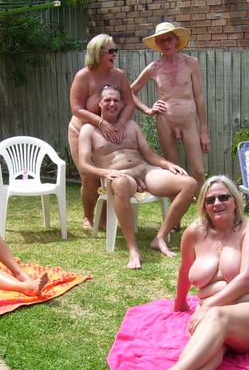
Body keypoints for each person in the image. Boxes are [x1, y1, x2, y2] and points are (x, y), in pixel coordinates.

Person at [141, 176, 249, 370]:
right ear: (204, 206)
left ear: (235, 201)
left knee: (217, 317)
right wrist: (179, 304)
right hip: (218, 319)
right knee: (213, 349)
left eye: (223, 197)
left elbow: (247, 278)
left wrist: (206, 307)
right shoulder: (194, 233)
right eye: (210, 200)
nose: (217, 203)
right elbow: (185, 271)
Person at [78, 85, 197, 269]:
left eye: (116, 100)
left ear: (121, 104)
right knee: (121, 183)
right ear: (99, 103)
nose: (112, 104)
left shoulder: (131, 126)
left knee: (190, 184)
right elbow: (84, 165)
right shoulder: (88, 130)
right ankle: (133, 250)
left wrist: (167, 165)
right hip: (119, 176)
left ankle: (160, 237)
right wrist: (105, 172)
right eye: (108, 100)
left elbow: (149, 155)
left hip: (144, 171)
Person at [68, 34, 136, 230]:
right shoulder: (83, 76)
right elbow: (76, 109)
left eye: (116, 50)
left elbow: (129, 103)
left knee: (109, 175)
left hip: (110, 134)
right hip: (81, 131)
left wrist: (120, 125)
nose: (115, 54)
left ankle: (105, 218)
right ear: (97, 53)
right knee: (89, 177)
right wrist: (100, 122)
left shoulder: (119, 76)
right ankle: (88, 216)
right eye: (111, 51)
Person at [131, 22, 210, 186]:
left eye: (169, 39)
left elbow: (199, 97)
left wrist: (203, 131)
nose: (166, 44)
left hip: (189, 121)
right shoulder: (153, 68)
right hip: (165, 122)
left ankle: (202, 203)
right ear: (157, 43)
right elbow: (130, 92)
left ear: (176, 40)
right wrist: (148, 110)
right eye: (162, 40)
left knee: (198, 170)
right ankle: (178, 201)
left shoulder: (191, 63)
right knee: (173, 170)